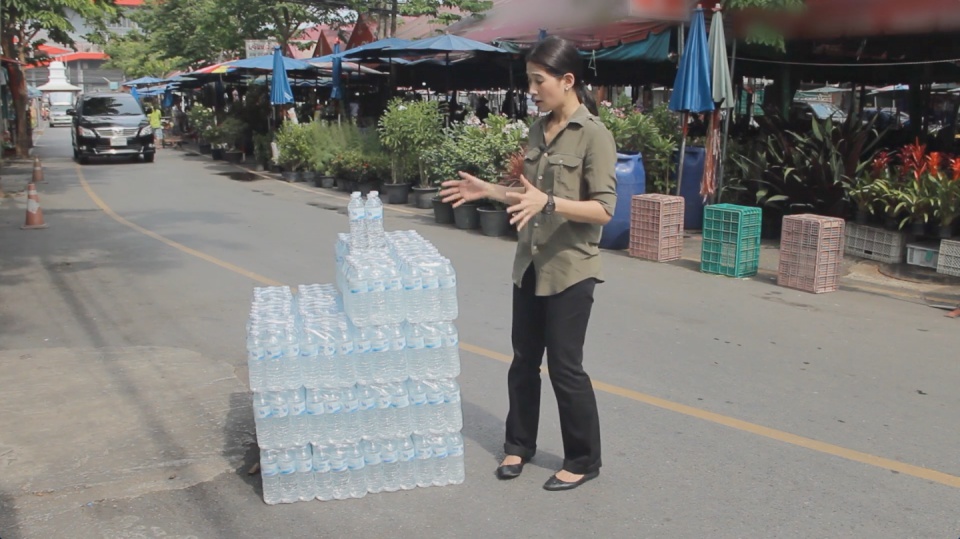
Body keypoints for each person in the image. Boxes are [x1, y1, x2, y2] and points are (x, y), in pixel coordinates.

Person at [439, 36, 616, 492]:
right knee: (523, 362)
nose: (533, 90)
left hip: (571, 269)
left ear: (567, 80)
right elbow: (530, 198)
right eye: (530, 81)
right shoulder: (539, 129)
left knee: (564, 366)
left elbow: (604, 210)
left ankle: (583, 458)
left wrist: (552, 201)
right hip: (531, 264)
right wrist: (492, 192)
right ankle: (519, 444)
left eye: (539, 81)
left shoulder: (594, 134)